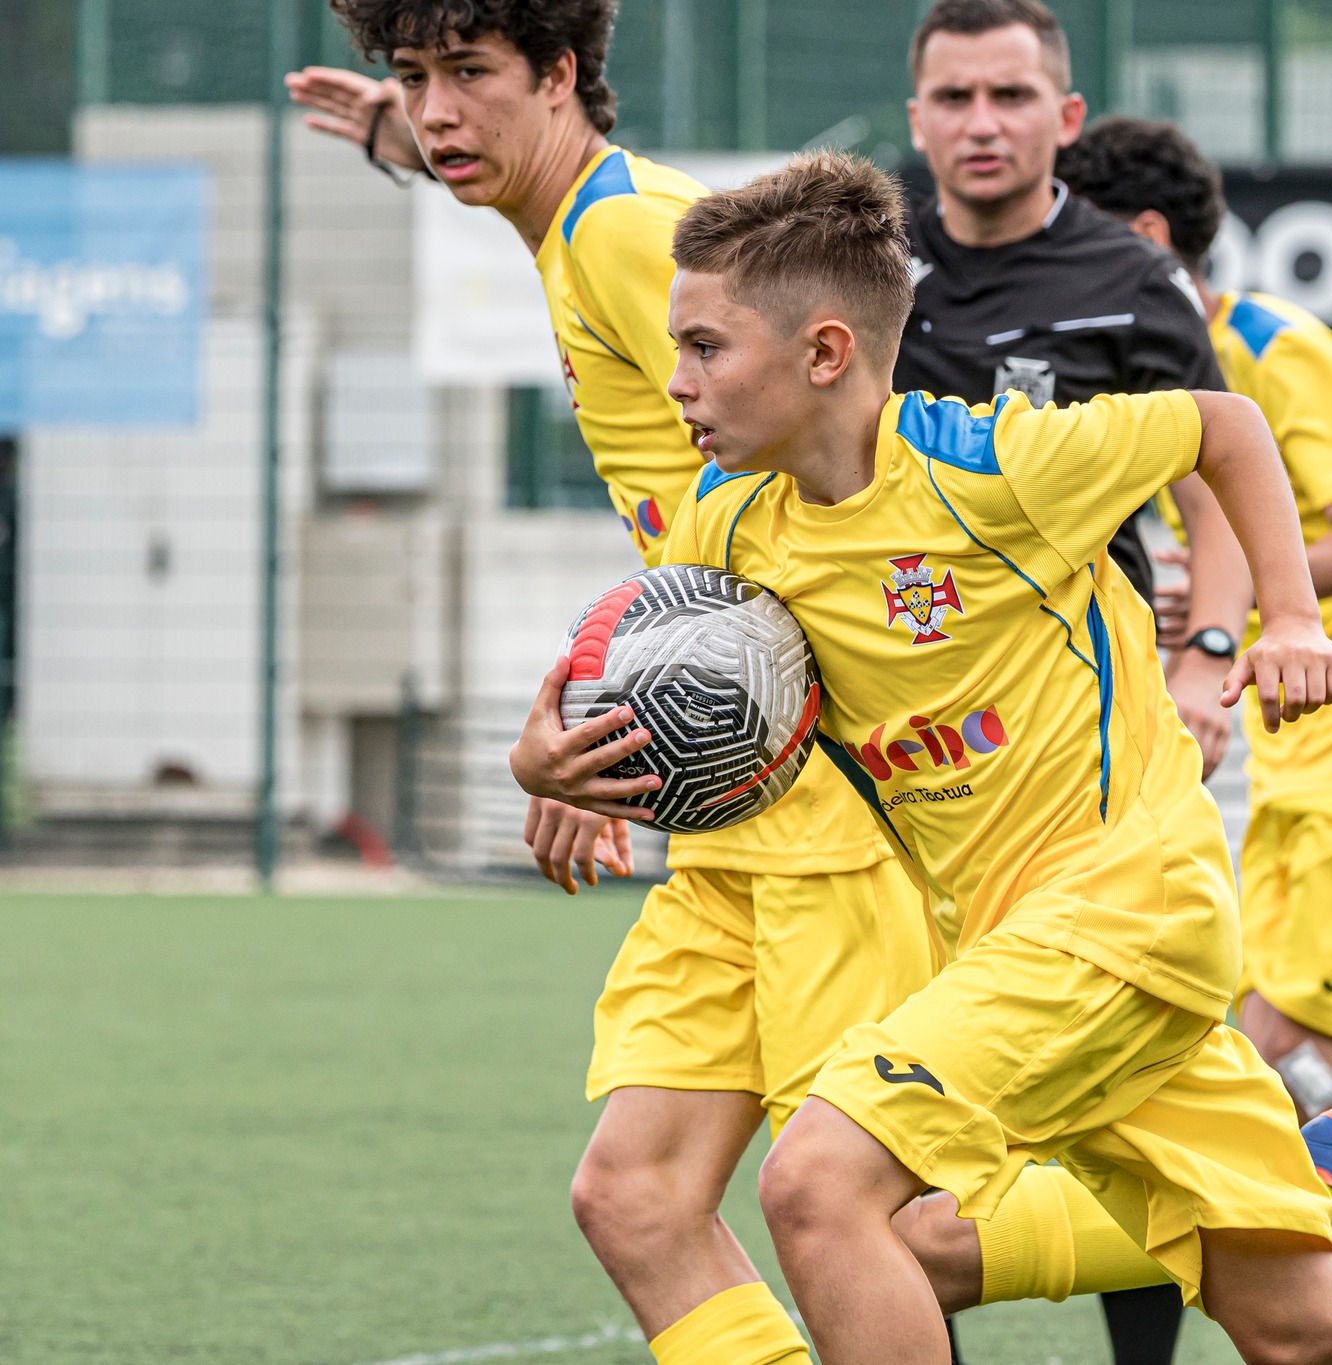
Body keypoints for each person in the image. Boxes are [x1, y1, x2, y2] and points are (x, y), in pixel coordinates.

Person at [535, 144, 1332, 1365]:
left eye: (705, 348)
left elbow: (1223, 427)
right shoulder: (728, 521)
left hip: (1125, 914)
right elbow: (667, 683)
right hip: (1022, 943)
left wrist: (1286, 618)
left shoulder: (992, 469)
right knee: (1301, 1326)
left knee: (818, 1181)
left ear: (824, 353)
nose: (675, 383)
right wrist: (564, 767)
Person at [290, 8, 935, 1365]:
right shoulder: (572, 224)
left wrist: (619, 711)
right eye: (416, 77)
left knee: (881, 1219)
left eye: (470, 75)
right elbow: (707, 545)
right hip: (733, 797)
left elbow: (849, 452)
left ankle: (1276, 1210)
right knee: (636, 1199)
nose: (442, 109)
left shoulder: (630, 235)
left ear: (562, 76)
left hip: (826, 804)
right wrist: (626, 726)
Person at [891, 6, 1254, 1350]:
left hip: (1083, 747)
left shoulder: (1133, 281)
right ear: (916, 115)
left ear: (1066, 117)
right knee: (888, 1109)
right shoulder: (865, 264)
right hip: (900, 746)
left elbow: (1218, 478)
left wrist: (1208, 657)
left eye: (1008, 95)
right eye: (953, 97)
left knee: (1119, 1096)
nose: (980, 123)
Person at [1057, 117, 1332, 1131]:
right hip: (1296, 756)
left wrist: (1239, 596)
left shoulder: (1275, 348)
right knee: (1278, 1043)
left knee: (1290, 1047)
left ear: (1146, 237)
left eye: (1074, 228)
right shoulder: (1147, 365)